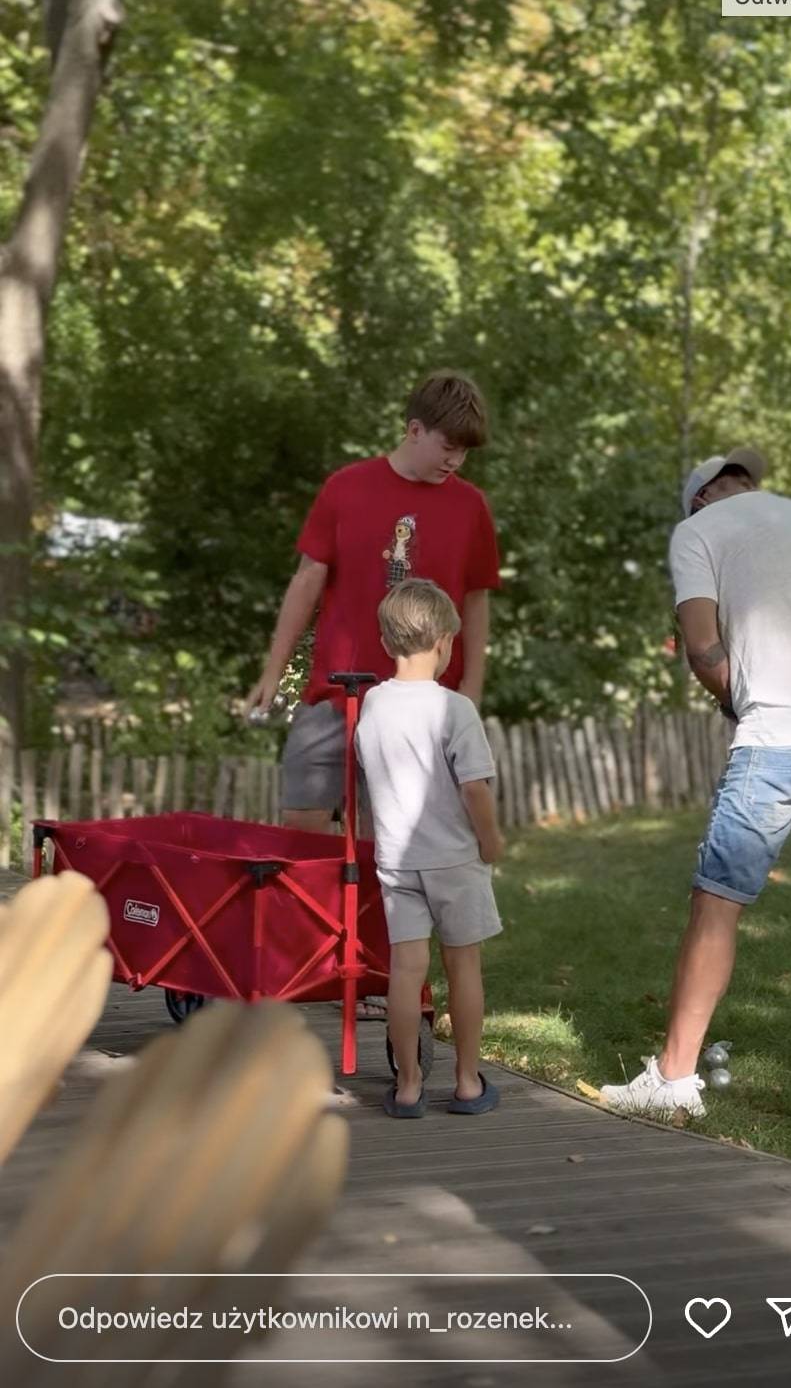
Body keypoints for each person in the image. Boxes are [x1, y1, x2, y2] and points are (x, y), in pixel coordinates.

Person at [602, 446, 791, 1119]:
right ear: (742, 483)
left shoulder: (697, 531)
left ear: (702, 497)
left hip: (778, 736)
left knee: (719, 898)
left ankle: (675, 1079)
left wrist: (733, 699)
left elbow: (704, 648)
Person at [244, 370, 500, 1017]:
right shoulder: (346, 488)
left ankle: (384, 979)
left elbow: (475, 600)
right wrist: (274, 671)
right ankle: (309, 961)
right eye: (447, 445)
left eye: (465, 452)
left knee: (398, 844)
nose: (455, 461)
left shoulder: (470, 506)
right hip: (336, 692)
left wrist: (468, 689)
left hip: (423, 705)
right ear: (414, 429)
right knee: (303, 824)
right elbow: (307, 581)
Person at [355, 579, 504, 1118]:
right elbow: (473, 787)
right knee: (463, 968)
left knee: (405, 973)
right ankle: (466, 1081)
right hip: (455, 859)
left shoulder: (372, 704)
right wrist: (490, 840)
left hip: (397, 861)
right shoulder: (454, 708)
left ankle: (410, 1085)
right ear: (444, 641)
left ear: (385, 641)